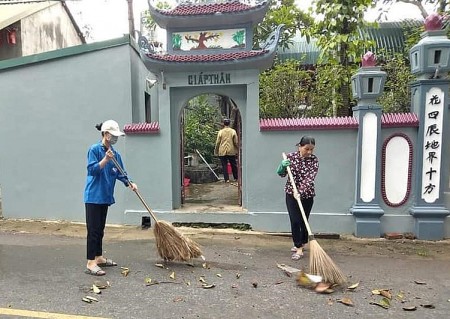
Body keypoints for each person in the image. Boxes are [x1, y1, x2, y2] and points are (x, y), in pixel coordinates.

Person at [84, 120, 137, 276]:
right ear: (106, 134)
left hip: (105, 196)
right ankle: (90, 262)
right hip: (93, 196)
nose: (115, 138)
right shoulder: (94, 150)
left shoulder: (115, 154)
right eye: (113, 135)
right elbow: (92, 170)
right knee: (93, 230)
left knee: (100, 229)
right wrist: (105, 159)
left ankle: (99, 257)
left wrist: (130, 183)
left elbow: (121, 172)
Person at [276, 136, 319, 261]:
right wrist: (282, 166)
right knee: (295, 220)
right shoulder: (290, 157)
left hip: (307, 195)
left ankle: (304, 241)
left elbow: (310, 178)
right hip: (290, 194)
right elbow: (282, 174)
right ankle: (298, 247)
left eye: (312, 149)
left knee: (304, 220)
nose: (309, 152)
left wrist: (300, 191)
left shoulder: (314, 160)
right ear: (300, 146)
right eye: (307, 149)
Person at [214, 118, 239, 183]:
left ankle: (227, 179)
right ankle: (236, 178)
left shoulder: (220, 132)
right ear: (229, 123)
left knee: (224, 165)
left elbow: (217, 142)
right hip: (231, 150)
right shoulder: (233, 131)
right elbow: (236, 142)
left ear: (223, 124)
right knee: (233, 164)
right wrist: (238, 149)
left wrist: (216, 151)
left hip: (222, 151)